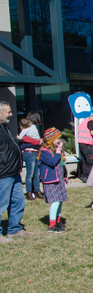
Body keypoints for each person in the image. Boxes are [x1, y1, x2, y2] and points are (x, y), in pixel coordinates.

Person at [0, 101, 33, 243]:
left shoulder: (4, 127)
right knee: (1, 203)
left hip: (14, 172)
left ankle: (14, 229)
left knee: (18, 201)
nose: (11, 114)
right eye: (8, 112)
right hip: (3, 174)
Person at [38, 128, 68, 232]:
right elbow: (52, 162)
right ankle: (52, 225)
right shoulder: (44, 151)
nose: (59, 141)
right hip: (51, 181)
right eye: (57, 139)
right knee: (55, 201)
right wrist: (59, 152)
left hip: (59, 180)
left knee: (60, 201)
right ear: (51, 140)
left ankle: (58, 221)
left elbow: (62, 165)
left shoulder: (57, 151)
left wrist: (65, 177)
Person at [17, 118, 42, 200]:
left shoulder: (25, 131)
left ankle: (37, 191)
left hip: (35, 152)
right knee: (30, 174)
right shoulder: (32, 128)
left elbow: (20, 138)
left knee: (37, 174)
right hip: (29, 153)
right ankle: (29, 192)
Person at [76, 115, 93, 182]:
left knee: (84, 160)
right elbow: (92, 132)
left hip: (81, 143)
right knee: (90, 160)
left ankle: (84, 176)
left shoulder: (83, 122)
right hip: (87, 143)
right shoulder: (90, 121)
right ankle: (90, 177)